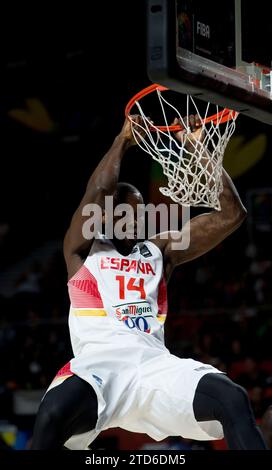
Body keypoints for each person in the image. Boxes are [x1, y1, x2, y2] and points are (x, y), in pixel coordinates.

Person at [31, 114, 267, 450]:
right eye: (119, 210)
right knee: (52, 413)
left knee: (231, 398)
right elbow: (98, 190)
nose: (130, 217)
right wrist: (123, 141)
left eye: (137, 211)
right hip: (99, 364)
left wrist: (199, 148)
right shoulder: (81, 250)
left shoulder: (160, 250)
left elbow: (231, 215)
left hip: (153, 366)